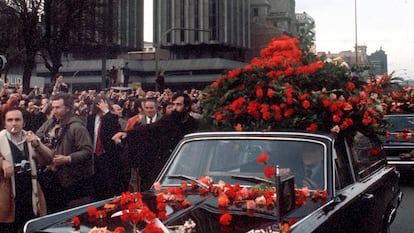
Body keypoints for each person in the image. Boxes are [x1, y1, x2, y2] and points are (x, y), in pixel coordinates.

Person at [112, 92, 199, 191]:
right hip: (169, 165)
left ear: (187, 107)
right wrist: (127, 134)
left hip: (188, 166)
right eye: (173, 104)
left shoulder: (194, 123)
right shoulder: (168, 120)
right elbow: (149, 129)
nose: (174, 107)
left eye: (178, 104)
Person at [35, 93, 94, 213]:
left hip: (72, 181)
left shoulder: (77, 127)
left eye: (58, 107)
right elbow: (38, 136)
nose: (54, 110)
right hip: (52, 178)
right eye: (53, 107)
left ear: (67, 108)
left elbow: (87, 151)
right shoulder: (50, 123)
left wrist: (68, 158)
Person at [0, 107, 49, 233]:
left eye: (17, 119)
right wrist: (2, 161)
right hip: (7, 195)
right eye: (10, 120)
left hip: (29, 194)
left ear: (24, 122)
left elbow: (49, 159)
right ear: (4, 123)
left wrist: (38, 145)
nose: (14, 123)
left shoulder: (30, 138)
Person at [86, 96, 122, 200]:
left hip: (107, 153)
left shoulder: (111, 117)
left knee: (109, 181)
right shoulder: (92, 118)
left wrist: (106, 110)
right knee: (96, 182)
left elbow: (114, 126)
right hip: (94, 154)